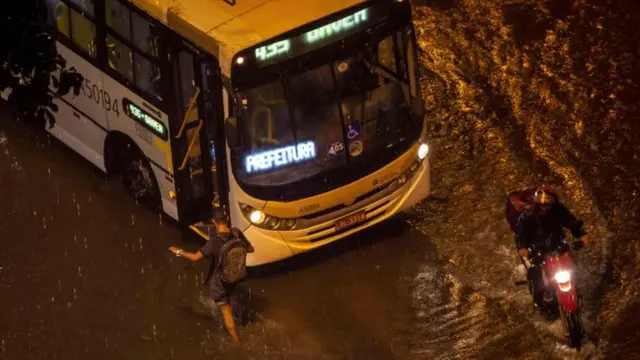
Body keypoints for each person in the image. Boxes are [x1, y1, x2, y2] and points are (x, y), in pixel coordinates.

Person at [169, 209, 254, 342]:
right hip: (236, 276)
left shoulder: (214, 242)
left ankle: (237, 342)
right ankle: (239, 317)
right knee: (232, 296)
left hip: (220, 282)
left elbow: (195, 257)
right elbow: (250, 249)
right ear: (227, 219)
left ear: (214, 222)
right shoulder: (237, 232)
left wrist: (179, 251)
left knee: (226, 314)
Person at [513, 184, 589, 308]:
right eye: (542, 204)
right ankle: (539, 304)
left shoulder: (559, 211)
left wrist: (582, 235)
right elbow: (520, 234)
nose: (545, 207)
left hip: (557, 245)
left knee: (573, 270)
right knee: (536, 279)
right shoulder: (528, 215)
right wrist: (523, 248)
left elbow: (570, 222)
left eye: (548, 204)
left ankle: (576, 292)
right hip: (535, 248)